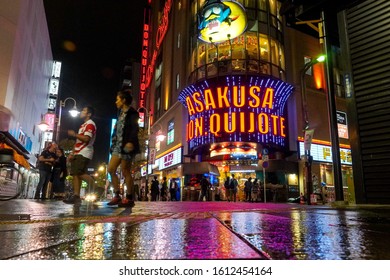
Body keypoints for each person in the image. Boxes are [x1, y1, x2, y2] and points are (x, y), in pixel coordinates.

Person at [107, 89, 140, 207]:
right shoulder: (120, 113)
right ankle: (117, 195)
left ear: (124, 100)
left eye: (118, 99)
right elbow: (116, 131)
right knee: (111, 169)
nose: (116, 102)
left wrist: (130, 142)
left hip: (127, 146)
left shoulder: (132, 113)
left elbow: (134, 128)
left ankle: (130, 198)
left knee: (125, 170)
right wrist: (113, 144)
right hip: (117, 147)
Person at [63, 106, 97, 205]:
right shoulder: (83, 125)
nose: (81, 112)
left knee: (79, 172)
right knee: (75, 174)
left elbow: (86, 139)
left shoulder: (90, 124)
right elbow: (78, 141)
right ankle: (76, 196)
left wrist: (74, 134)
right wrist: (72, 153)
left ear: (89, 114)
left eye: (84, 110)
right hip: (79, 152)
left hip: (84, 152)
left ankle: (96, 188)